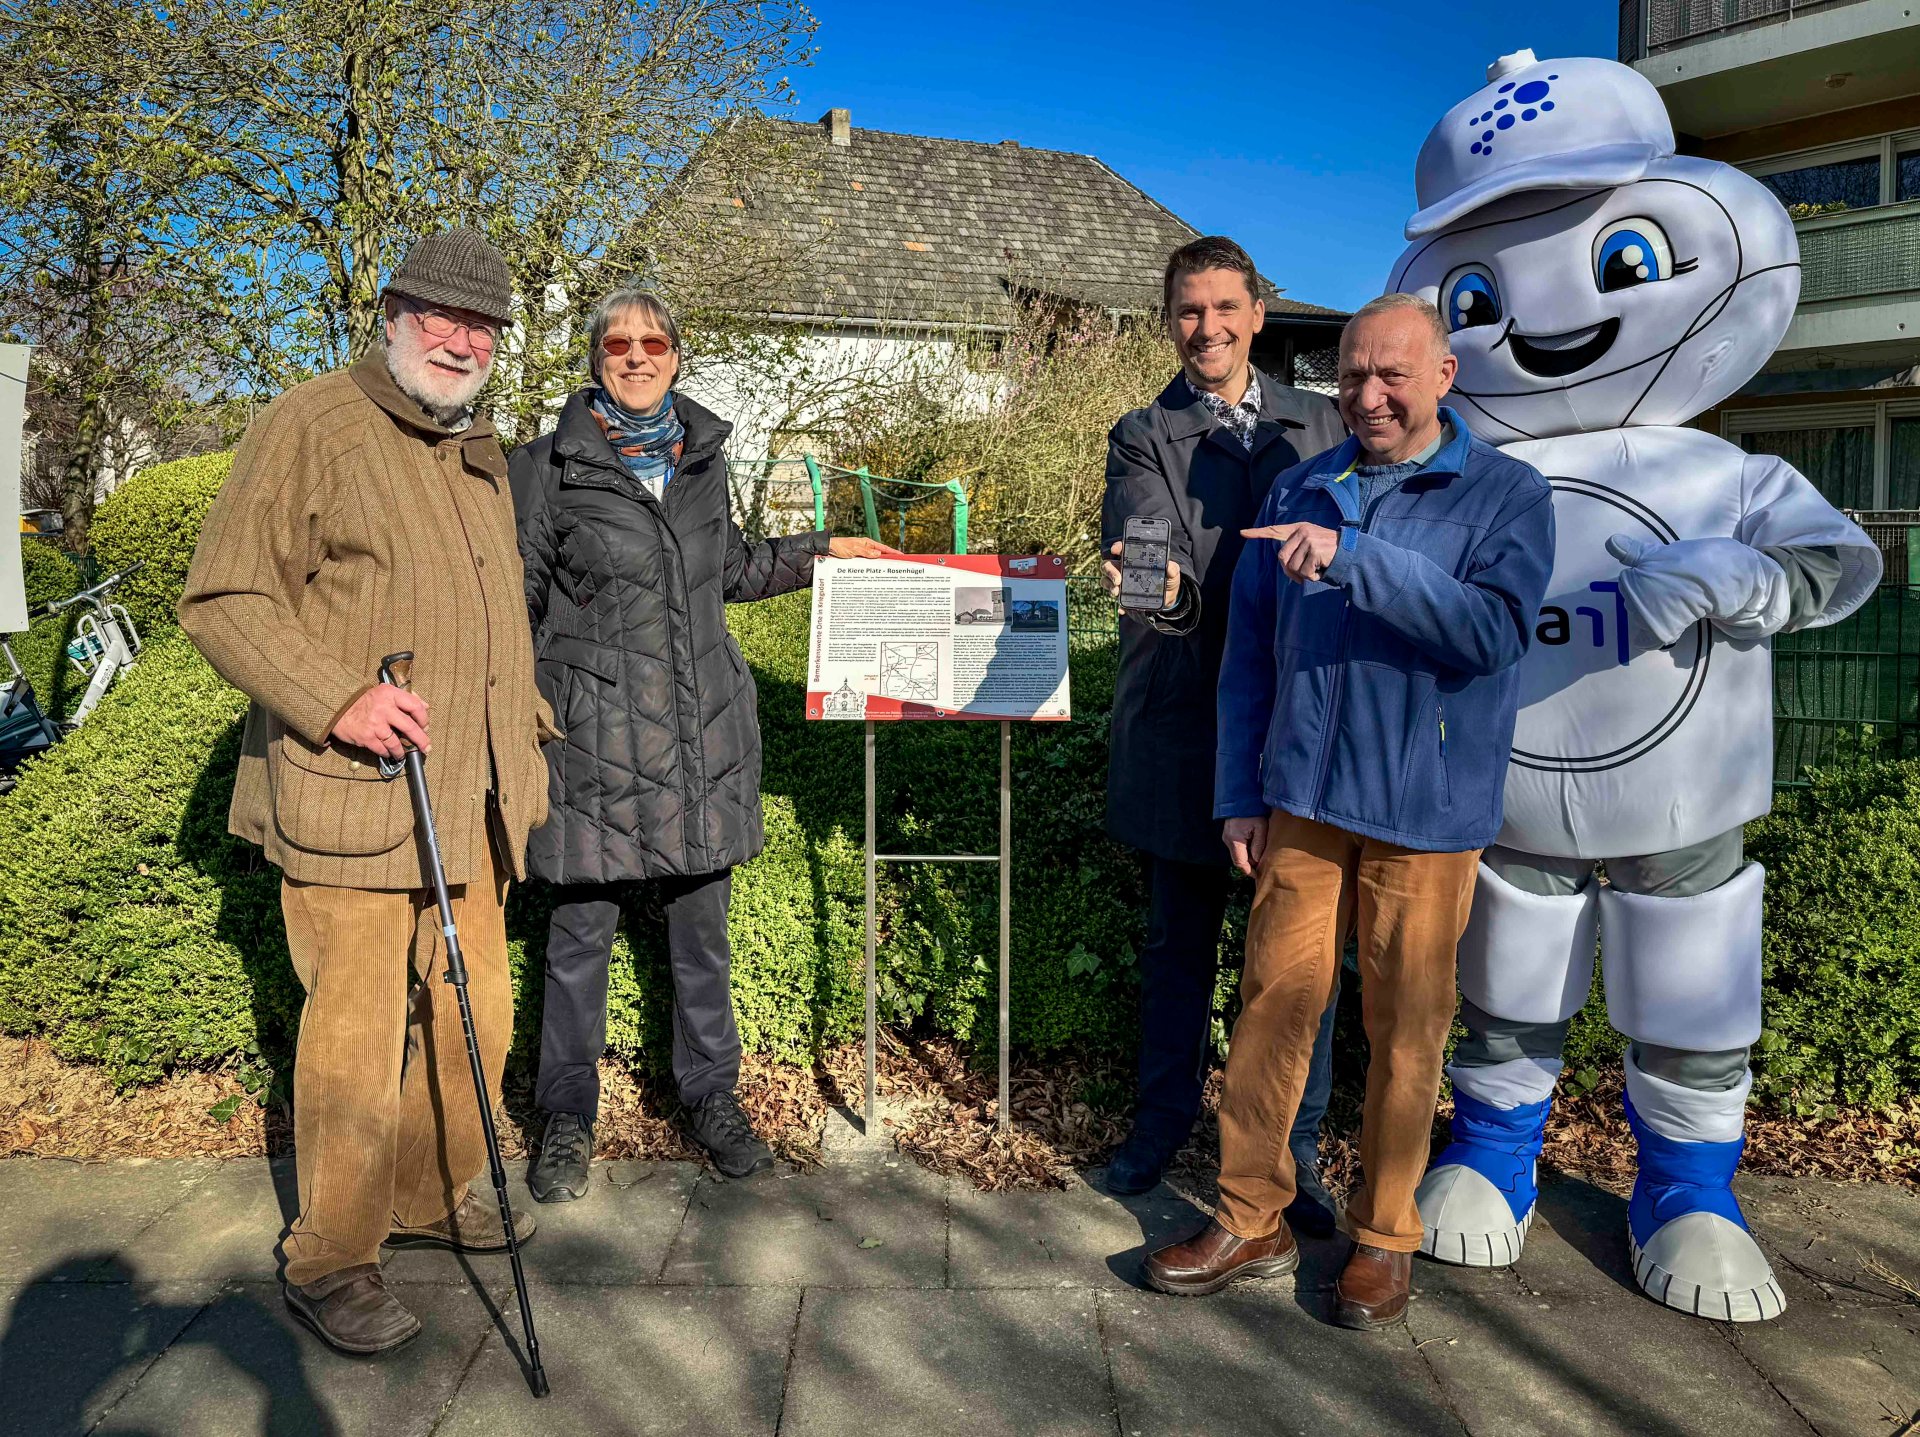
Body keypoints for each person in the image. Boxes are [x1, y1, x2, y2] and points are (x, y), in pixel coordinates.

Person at [1390, 51, 1878, 1321]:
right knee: (1509, 965)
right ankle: (1493, 1152)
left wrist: (1741, 575)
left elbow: (1837, 562)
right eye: (1482, 291)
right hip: (1514, 793)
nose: (1540, 318)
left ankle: (1691, 1187)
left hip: (1684, 789)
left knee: (1691, 967)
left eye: (1615, 257)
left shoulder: (1719, 470)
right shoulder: (1468, 475)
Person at [1144, 294, 1554, 1330]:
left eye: (1392, 377)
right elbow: (1246, 661)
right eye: (1353, 376)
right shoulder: (1301, 484)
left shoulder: (1507, 496)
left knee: (1406, 1033)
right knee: (1272, 1011)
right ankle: (1251, 1214)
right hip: (1304, 807)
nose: (1367, 396)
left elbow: (1491, 635)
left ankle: (1383, 1239)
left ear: (1443, 378)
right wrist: (1241, 793)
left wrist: (1358, 559)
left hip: (1426, 815)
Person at [180, 227, 553, 1355]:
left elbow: (492, 622)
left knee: (475, 1006)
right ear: (390, 315)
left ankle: (431, 1193)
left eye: (480, 324)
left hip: (471, 799)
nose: (458, 337)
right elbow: (226, 598)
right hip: (353, 789)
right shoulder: (311, 424)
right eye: (437, 315)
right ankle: (330, 1257)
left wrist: (524, 733)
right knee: (351, 1027)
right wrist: (336, 694)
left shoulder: (476, 450)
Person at [511, 286, 896, 1198]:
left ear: (676, 356)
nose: (636, 356)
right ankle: (565, 1116)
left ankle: (711, 1098)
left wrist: (822, 550)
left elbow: (725, 569)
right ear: (594, 356)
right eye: (618, 342)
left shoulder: (701, 457)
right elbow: (516, 606)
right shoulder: (547, 466)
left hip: (697, 735)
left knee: (701, 939)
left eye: (653, 342)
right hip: (590, 741)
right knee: (576, 943)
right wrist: (520, 709)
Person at [1098, 237, 1347, 1219]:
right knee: (1177, 947)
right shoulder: (1141, 433)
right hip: (1183, 722)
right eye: (1188, 312)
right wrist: (1153, 584)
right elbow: (1148, 539)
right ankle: (1159, 1125)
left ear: (1255, 313)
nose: (1207, 329)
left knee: (1299, 965)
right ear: (1171, 322)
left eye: (1224, 309)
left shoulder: (1322, 424)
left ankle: (1298, 1150)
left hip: (1299, 732)